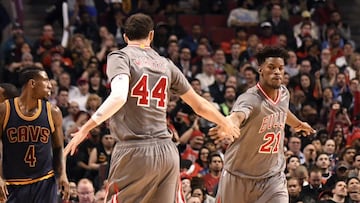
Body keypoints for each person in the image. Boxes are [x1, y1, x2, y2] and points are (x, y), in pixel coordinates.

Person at [64, 13, 240, 203]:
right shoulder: (166, 64)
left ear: (125, 37)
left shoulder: (120, 56)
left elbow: (119, 96)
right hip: (167, 151)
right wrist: (226, 122)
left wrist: (86, 128)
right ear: (151, 35)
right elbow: (199, 104)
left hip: (134, 150)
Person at [209, 46, 316, 203]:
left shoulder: (284, 93)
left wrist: (298, 124)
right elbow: (238, 115)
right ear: (260, 70)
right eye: (271, 68)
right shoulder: (250, 99)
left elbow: (282, 110)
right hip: (238, 176)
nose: (277, 72)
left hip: (272, 176)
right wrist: (228, 124)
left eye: (280, 68)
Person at [0, 67, 69, 202]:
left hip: (44, 182)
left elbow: (58, 148)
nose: (50, 85)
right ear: (32, 83)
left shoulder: (53, 112)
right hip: (13, 183)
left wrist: (62, 175)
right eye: (46, 81)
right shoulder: (5, 110)